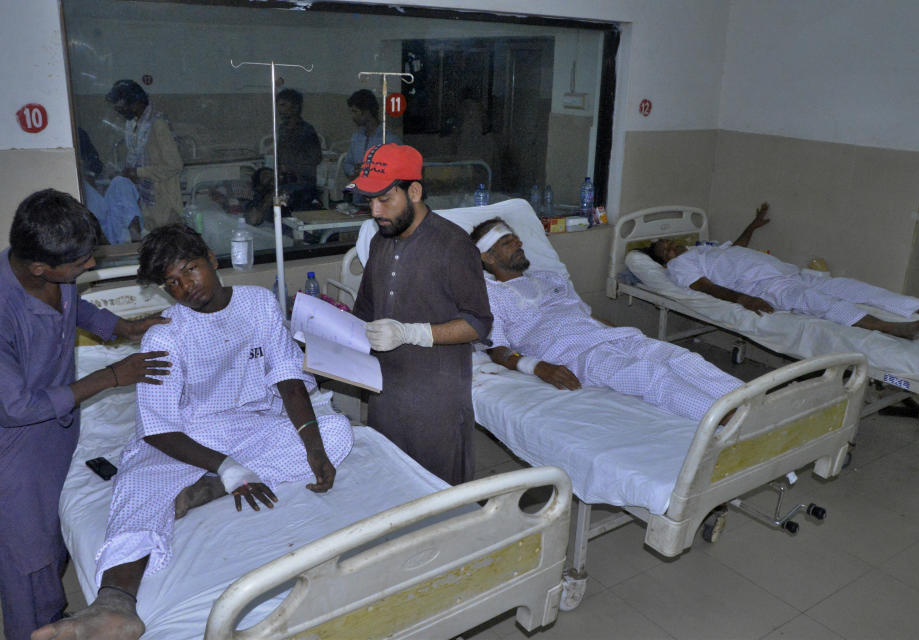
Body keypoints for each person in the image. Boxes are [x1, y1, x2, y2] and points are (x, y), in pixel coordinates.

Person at [32, 224, 354, 640]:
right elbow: (158, 429)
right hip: (186, 437)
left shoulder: (258, 304)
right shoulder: (164, 337)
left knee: (335, 432)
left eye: (191, 269)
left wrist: (312, 447)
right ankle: (114, 605)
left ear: (212, 261)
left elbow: (289, 379)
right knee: (139, 486)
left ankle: (210, 487)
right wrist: (230, 468)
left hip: (253, 425)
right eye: (172, 282)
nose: (185, 286)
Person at [0, 189, 171, 640]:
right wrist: (112, 376)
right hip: (12, 451)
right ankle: (33, 629)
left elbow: (73, 306)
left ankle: (56, 614)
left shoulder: (48, 272)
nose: (89, 267)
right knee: (28, 564)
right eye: (81, 263)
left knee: (53, 540)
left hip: (58, 434)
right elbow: (15, 408)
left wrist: (122, 327)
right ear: (40, 267)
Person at [470, 218, 743, 423]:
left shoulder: (549, 279)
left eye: (516, 239)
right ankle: (728, 421)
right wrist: (538, 367)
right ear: (488, 257)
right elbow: (498, 350)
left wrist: (628, 336)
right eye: (507, 243)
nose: (518, 244)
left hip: (610, 337)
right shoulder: (489, 295)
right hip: (576, 354)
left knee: (682, 358)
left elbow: (588, 316)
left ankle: (752, 402)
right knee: (651, 376)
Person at [351, 144, 492, 485]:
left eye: (385, 198)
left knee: (441, 496)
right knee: (392, 484)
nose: (375, 210)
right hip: (385, 392)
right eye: (369, 200)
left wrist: (411, 333)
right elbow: (365, 310)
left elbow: (479, 322)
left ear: (414, 191)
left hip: (436, 398)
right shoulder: (381, 239)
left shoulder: (452, 245)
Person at [647, 203, 919, 340]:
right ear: (664, 262)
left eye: (669, 242)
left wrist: (753, 224)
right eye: (665, 251)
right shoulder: (679, 267)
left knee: (853, 287)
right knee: (821, 303)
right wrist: (745, 301)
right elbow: (707, 288)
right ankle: (890, 327)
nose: (671, 248)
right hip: (768, 288)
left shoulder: (702, 250)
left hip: (791, 272)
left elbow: (736, 249)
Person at [106, 79, 184, 230]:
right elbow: (135, 159)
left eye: (122, 109)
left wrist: (137, 172)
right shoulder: (135, 125)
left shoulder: (157, 125)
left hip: (163, 203)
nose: (120, 114)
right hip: (146, 200)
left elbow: (174, 165)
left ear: (136, 104)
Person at [77, 127, 143, 244]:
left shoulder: (92, 168)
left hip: (114, 228)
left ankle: (136, 237)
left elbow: (96, 167)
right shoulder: (81, 187)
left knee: (120, 182)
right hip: (99, 237)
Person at [274, 88, 322, 215]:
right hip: (286, 180)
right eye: (278, 105)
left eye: (283, 105)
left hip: (303, 183)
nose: (279, 109)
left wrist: (291, 167)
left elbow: (315, 158)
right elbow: (280, 153)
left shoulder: (306, 130)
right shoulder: (283, 128)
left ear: (295, 107)